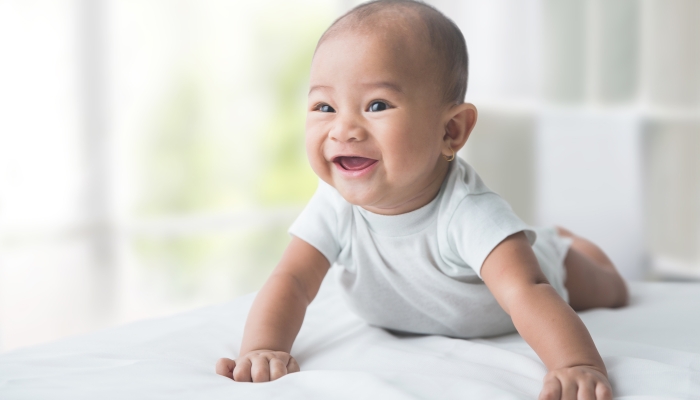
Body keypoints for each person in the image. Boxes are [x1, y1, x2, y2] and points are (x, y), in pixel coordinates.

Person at [216, 1, 629, 399]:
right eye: (324, 106)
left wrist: (577, 365)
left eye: (376, 105)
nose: (343, 129)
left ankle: (564, 243)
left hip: (545, 273)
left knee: (608, 291)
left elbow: (527, 290)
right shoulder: (334, 205)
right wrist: (263, 348)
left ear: (450, 131)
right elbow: (292, 281)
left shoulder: (468, 211)